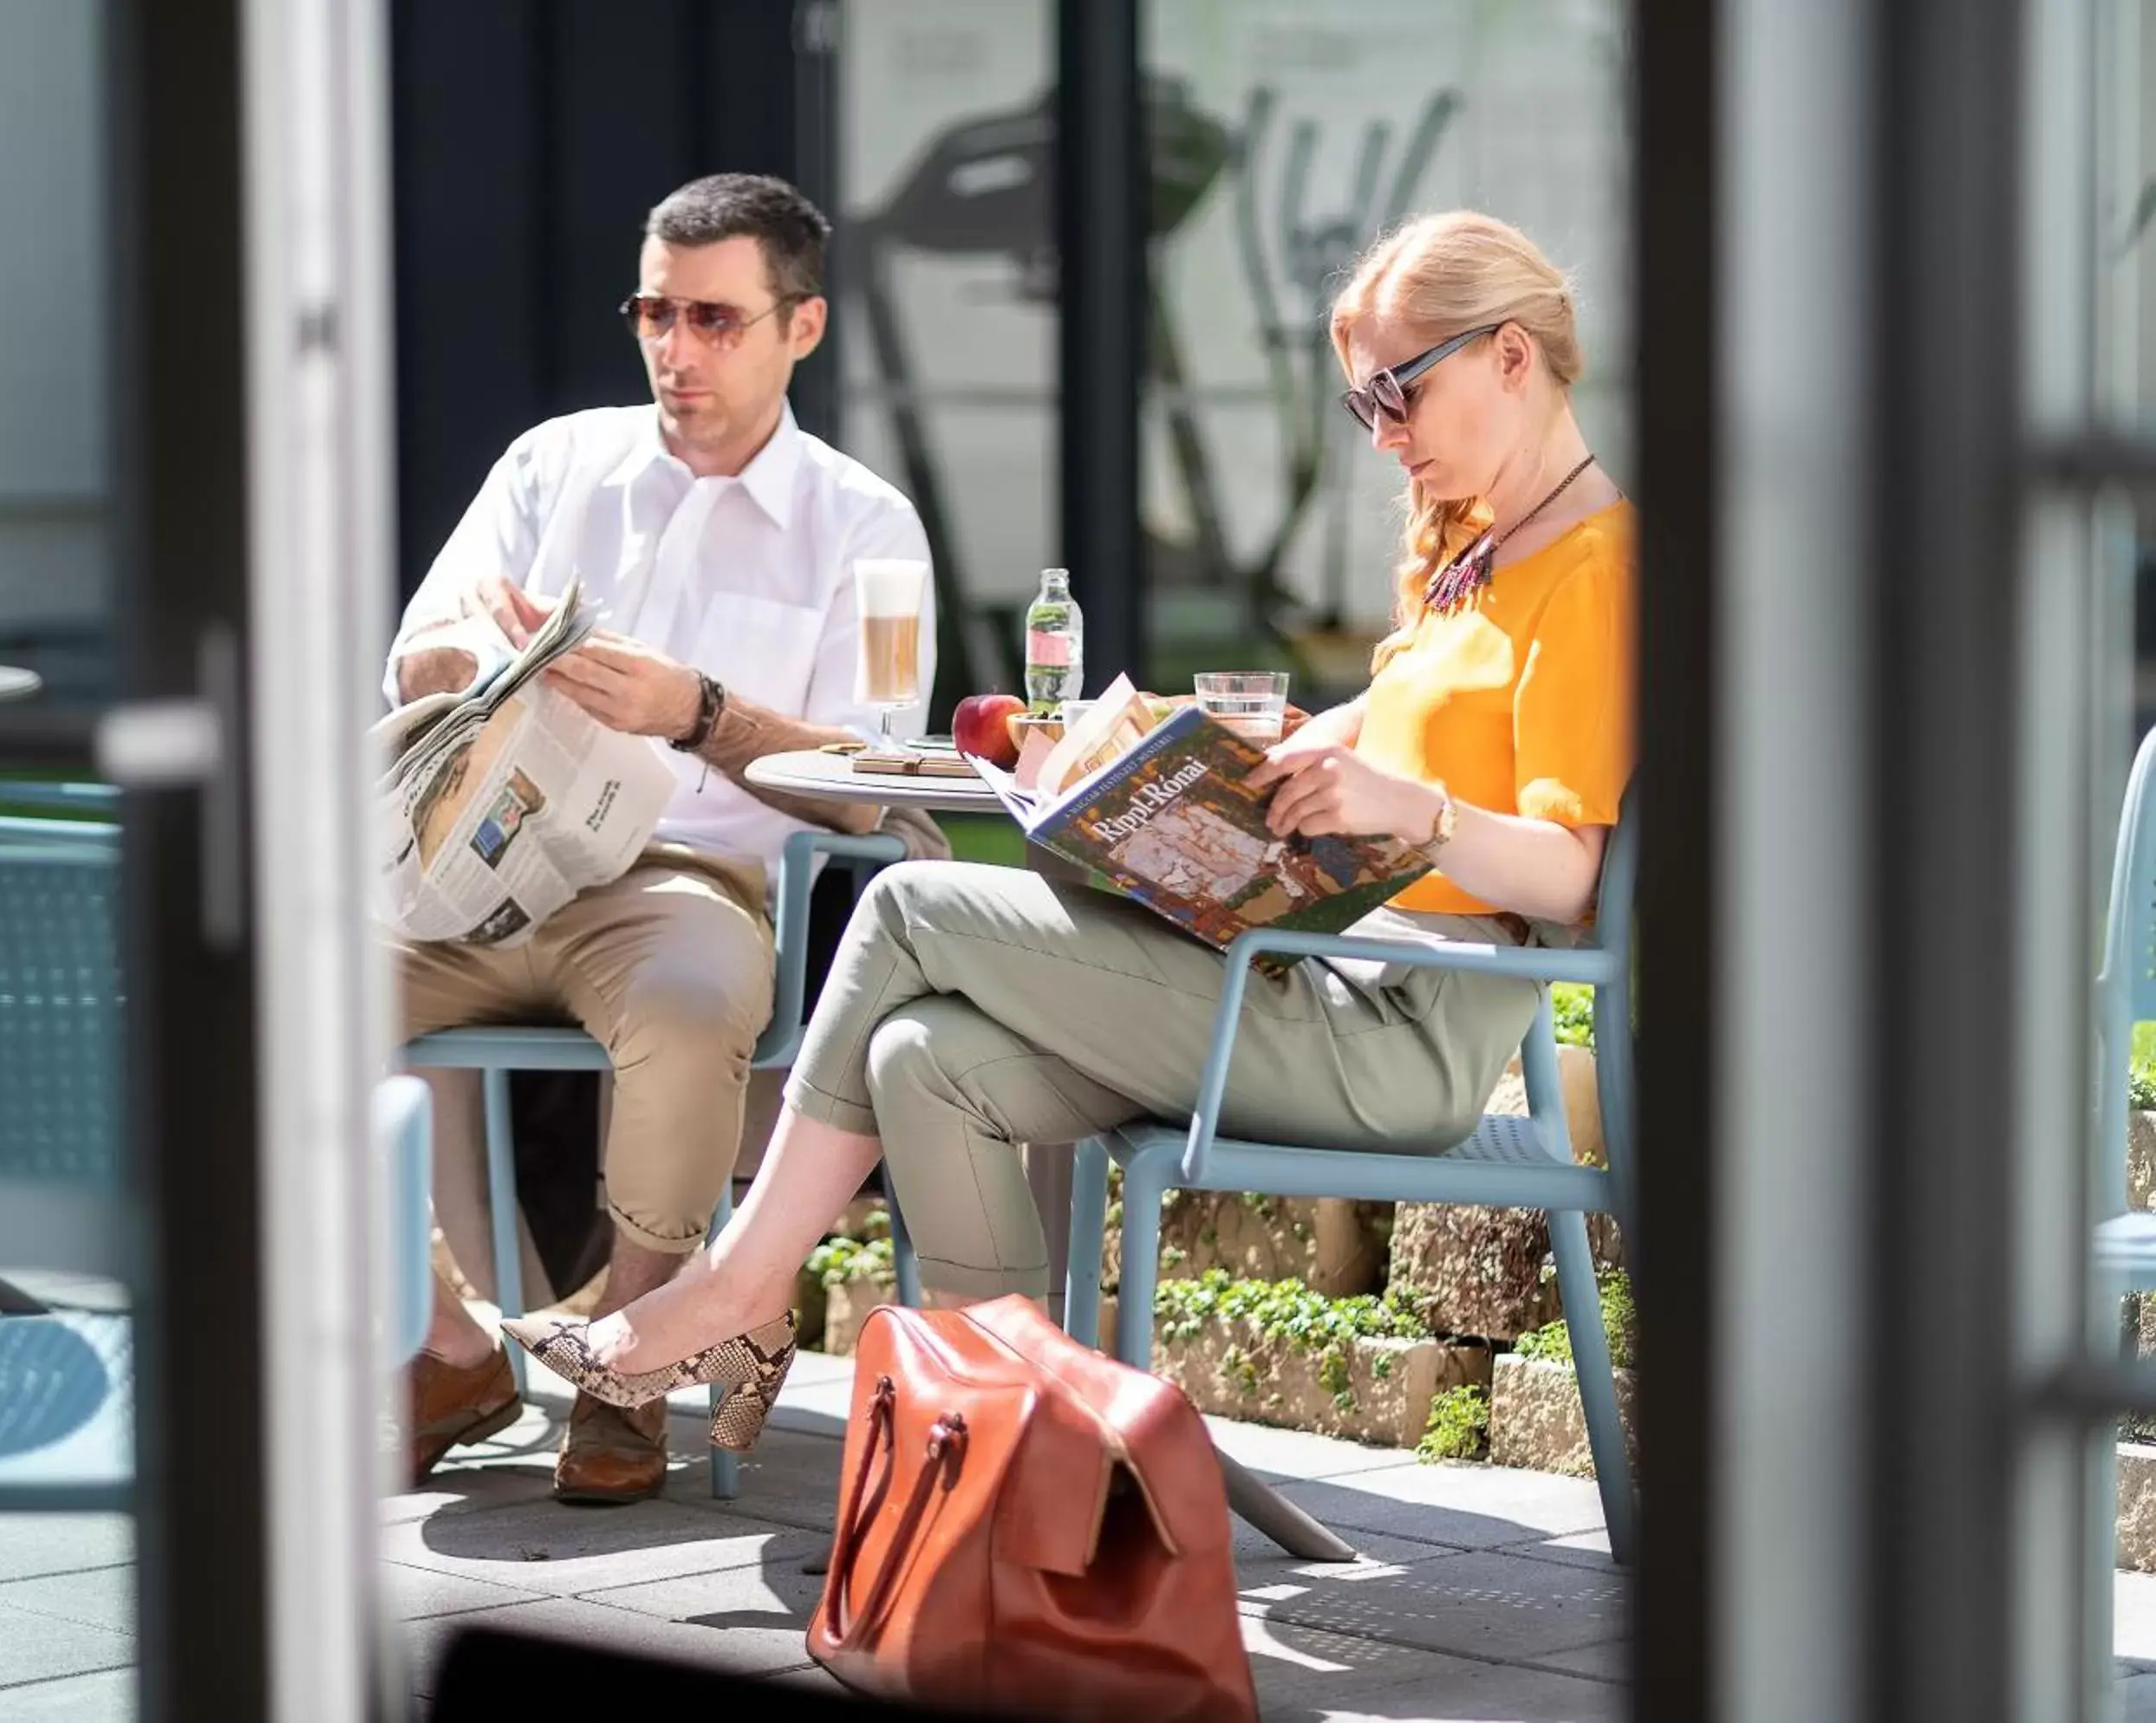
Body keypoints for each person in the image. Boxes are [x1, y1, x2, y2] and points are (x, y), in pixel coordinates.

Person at [501, 210, 1635, 1447]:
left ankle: (734, 1289)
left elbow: (1572, 877)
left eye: (1397, 396)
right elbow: (1415, 713)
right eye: (1365, 408)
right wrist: (1268, 749)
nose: (1385, 437)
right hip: (1319, 970)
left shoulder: (1593, 569)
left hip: (1404, 1032)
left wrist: (1409, 811)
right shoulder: (1476, 550)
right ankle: (1021, 1460)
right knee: (922, 1058)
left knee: (907, 902)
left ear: (1512, 357)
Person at [389, 172, 937, 1502]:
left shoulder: (868, 528)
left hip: (684, 883)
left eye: (714, 319)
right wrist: (473, 662)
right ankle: (446, 1337)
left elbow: (870, 785)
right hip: (484, 874)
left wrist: (695, 712)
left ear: (800, 328)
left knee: (693, 1002)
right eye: (654, 312)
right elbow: (413, 655)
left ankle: (625, 1369)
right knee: (271, 986)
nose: (674, 351)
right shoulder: (553, 463)